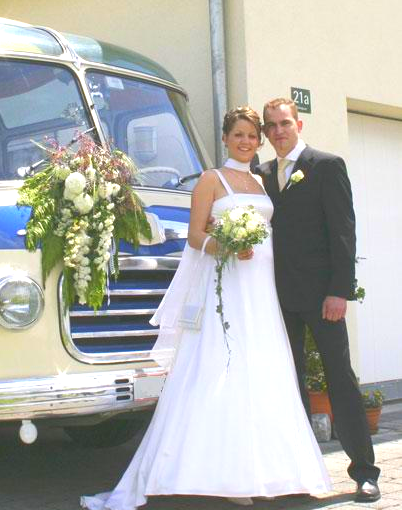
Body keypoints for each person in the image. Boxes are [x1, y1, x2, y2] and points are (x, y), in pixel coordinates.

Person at [81, 106, 331, 510]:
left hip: (261, 290)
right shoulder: (210, 181)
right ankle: (224, 478)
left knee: (265, 371)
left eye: (253, 135)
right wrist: (226, 245)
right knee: (223, 367)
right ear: (226, 138)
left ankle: (273, 471)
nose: (247, 141)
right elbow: (196, 237)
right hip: (227, 286)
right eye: (239, 135)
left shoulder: (262, 181)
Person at [258, 97, 380, 502]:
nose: (278, 131)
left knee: (339, 380)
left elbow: (344, 232)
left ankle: (365, 472)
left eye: (284, 123)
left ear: (299, 125)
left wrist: (339, 291)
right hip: (276, 297)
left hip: (321, 296)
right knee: (288, 384)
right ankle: (298, 473)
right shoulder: (259, 175)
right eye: (271, 125)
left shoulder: (326, 166)